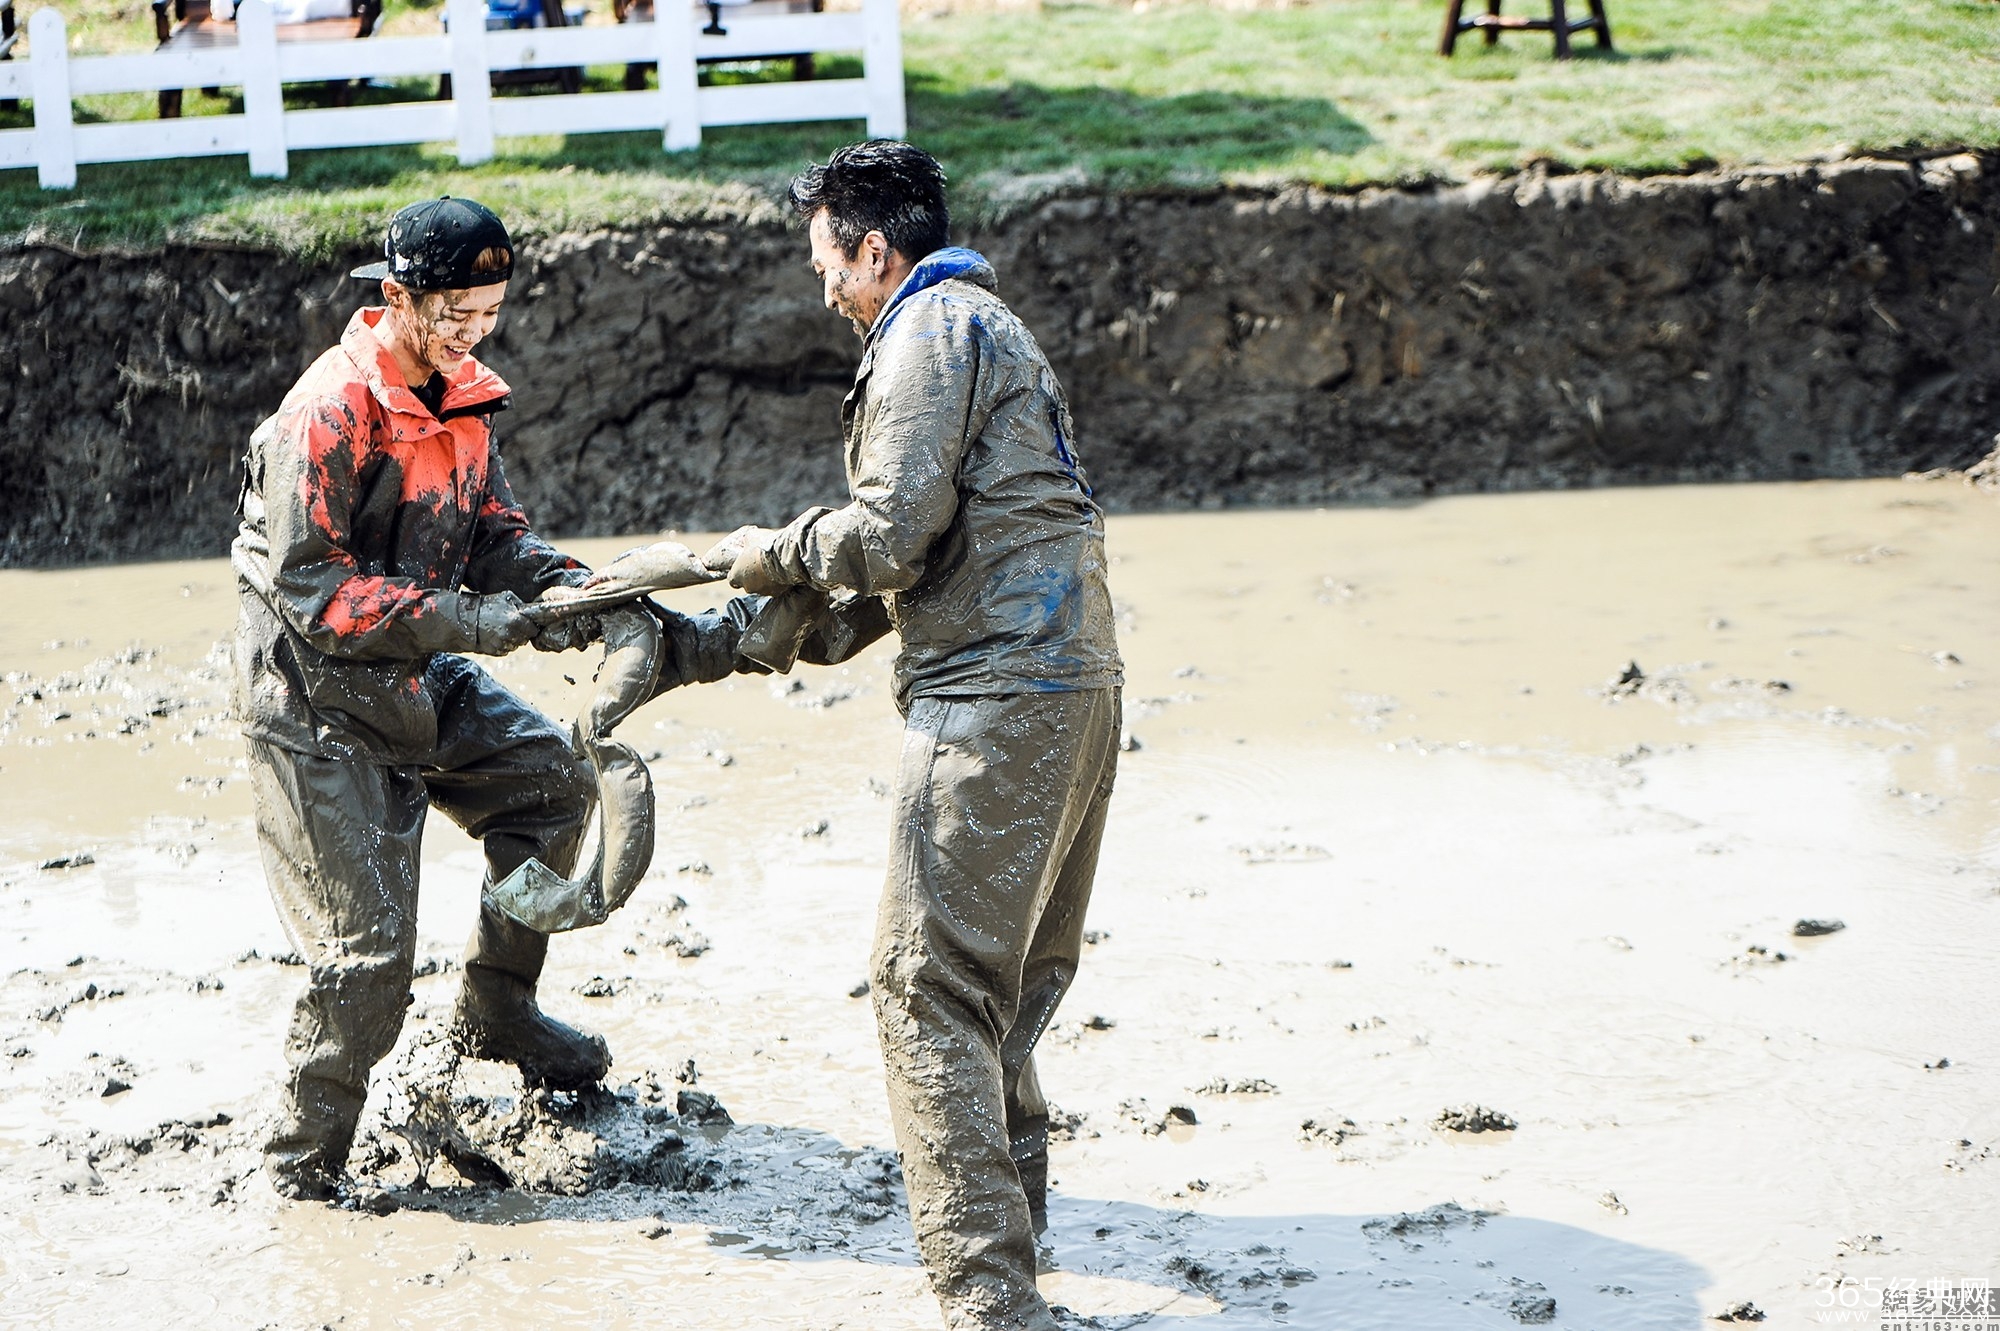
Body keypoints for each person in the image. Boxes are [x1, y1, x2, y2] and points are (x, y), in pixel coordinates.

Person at [231, 196, 745, 1204]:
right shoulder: (330, 411)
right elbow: (310, 591)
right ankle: (301, 1167)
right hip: (316, 699)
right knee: (364, 963)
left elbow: (494, 533)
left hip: (419, 663)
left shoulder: (462, 396)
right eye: (454, 316)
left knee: (552, 784)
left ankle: (499, 1001)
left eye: (488, 313)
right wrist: (474, 620)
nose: (473, 334)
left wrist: (569, 588)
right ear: (395, 299)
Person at [703, 140, 1124, 1331]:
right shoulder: (989, 328)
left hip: (998, 698)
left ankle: (988, 1304)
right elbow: (933, 558)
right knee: (995, 995)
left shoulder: (927, 332)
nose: (823, 290)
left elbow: (888, 536)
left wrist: (769, 550)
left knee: (926, 990)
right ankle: (1014, 1275)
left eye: (826, 263)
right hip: (1071, 685)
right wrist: (750, 629)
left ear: (874, 252)